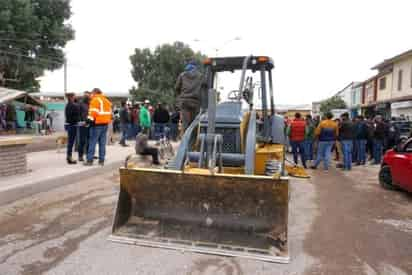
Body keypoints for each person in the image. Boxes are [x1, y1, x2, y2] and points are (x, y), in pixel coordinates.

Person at [84, 88, 112, 166]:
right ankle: (101, 161)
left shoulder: (95, 100)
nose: (91, 95)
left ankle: (89, 161)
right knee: (102, 143)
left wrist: (87, 122)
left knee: (92, 142)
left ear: (95, 92)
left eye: (92, 93)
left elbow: (93, 113)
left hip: (96, 125)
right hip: (105, 124)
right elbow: (110, 113)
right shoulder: (107, 101)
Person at [175, 61, 203, 131]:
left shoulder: (182, 75)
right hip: (195, 102)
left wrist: (181, 96)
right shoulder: (200, 76)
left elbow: (176, 87)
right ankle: (193, 140)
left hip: (184, 101)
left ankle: (185, 140)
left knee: (185, 122)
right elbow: (203, 89)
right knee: (194, 123)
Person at [64, 93, 81, 164]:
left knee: (70, 142)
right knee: (71, 142)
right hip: (73, 125)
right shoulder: (74, 106)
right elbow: (76, 116)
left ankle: (69, 156)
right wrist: (79, 121)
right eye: (74, 96)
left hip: (70, 125)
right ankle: (69, 157)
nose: (75, 97)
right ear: (71, 97)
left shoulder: (67, 105)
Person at [78, 93, 90, 162]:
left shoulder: (90, 104)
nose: (88, 98)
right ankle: (80, 156)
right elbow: (78, 114)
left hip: (89, 125)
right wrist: (81, 122)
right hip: (82, 125)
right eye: (87, 97)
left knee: (89, 141)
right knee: (82, 141)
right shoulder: (80, 104)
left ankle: (89, 155)